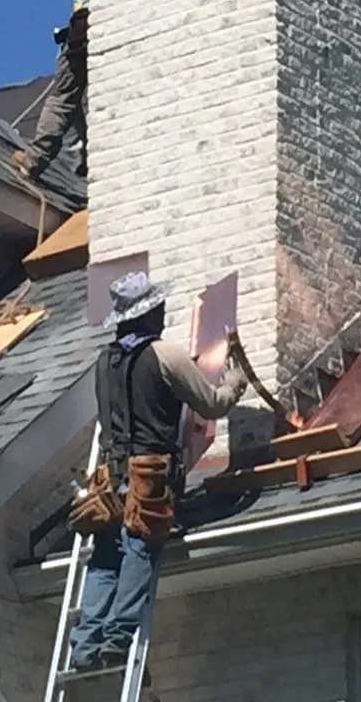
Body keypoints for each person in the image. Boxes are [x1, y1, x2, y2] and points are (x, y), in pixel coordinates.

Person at [69, 271, 248, 670]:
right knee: (139, 548)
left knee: (105, 556)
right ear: (147, 316)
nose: (163, 313)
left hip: (109, 474)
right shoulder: (166, 356)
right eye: (158, 308)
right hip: (149, 474)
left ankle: (83, 644)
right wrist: (236, 380)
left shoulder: (103, 363)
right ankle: (117, 637)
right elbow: (213, 404)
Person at [12, 0, 89, 179]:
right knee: (69, 103)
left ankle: (34, 159)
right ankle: (84, 160)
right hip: (90, 26)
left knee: (62, 102)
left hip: (86, 27)